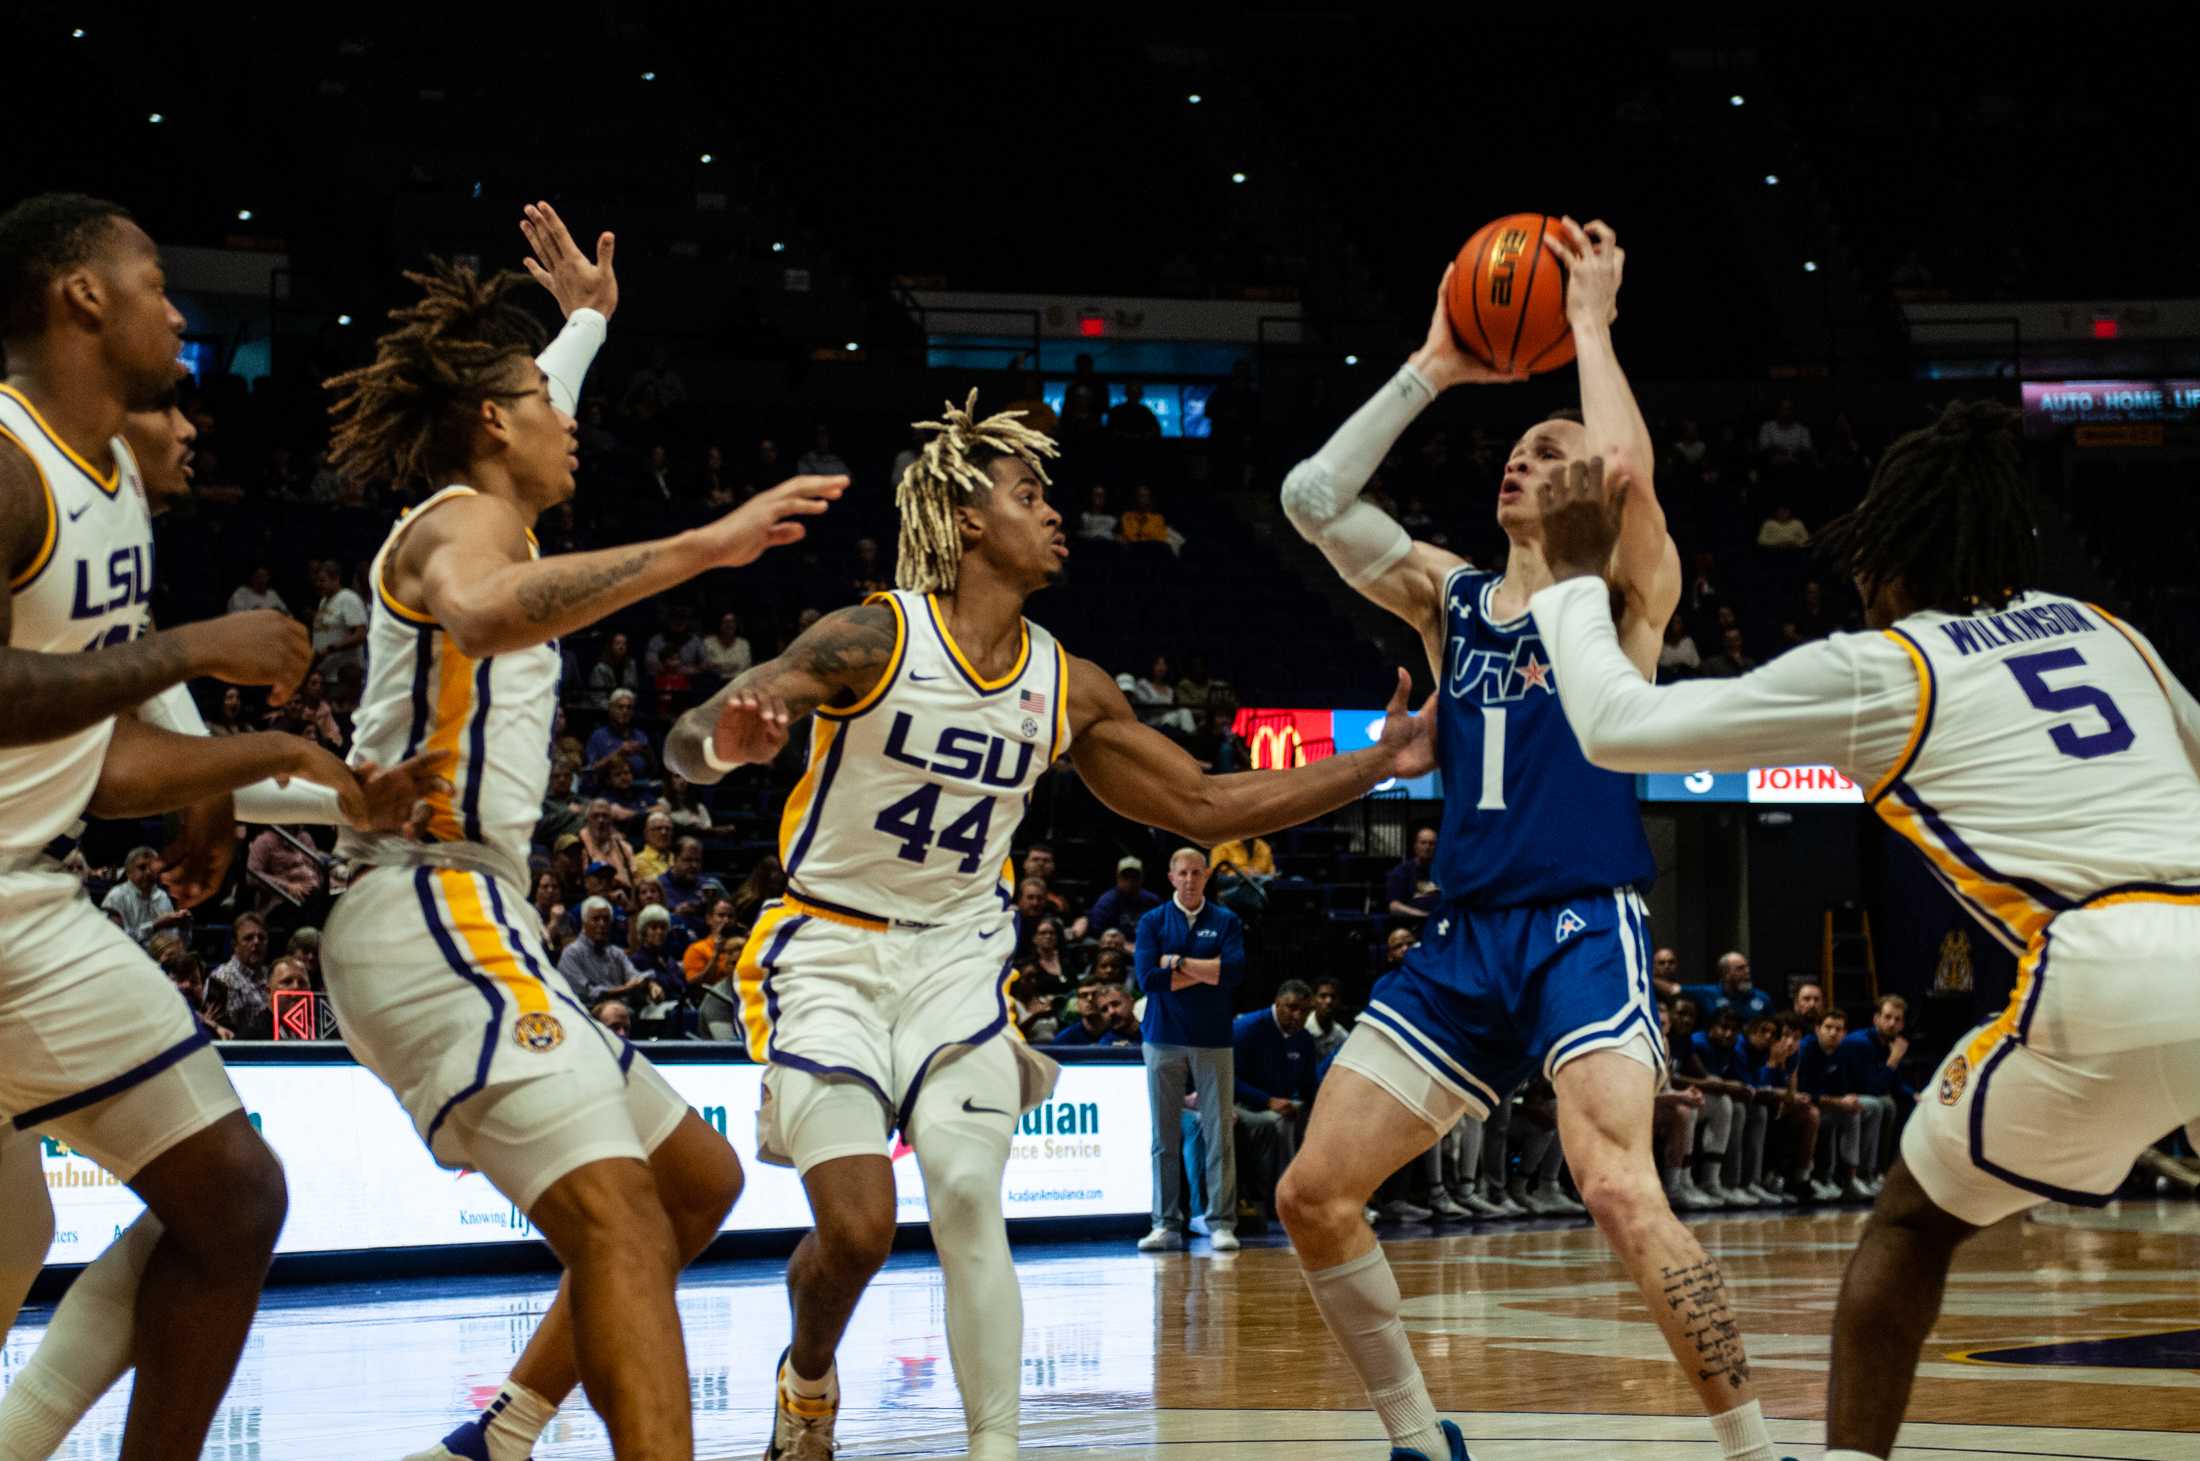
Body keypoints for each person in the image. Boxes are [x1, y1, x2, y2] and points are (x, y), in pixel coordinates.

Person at [661, 389, 1435, 1461]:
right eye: (1029, 494)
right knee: (855, 1230)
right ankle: (807, 1378)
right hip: (828, 952)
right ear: (970, 521)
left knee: (971, 1197)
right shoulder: (871, 636)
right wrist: (726, 745)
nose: (1055, 513)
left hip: (958, 966)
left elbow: (1204, 806)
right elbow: (701, 732)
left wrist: (1377, 765)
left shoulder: (1065, 686)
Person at [1527, 394, 2200, 1461]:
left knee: (1911, 1226)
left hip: (2104, 959)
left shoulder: (1887, 665)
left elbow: (1619, 728)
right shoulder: (2108, 628)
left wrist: (1569, 580)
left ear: (1887, 555)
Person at [312, 204, 847, 1461]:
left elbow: (530, 402)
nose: (573, 426)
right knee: (619, 1219)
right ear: (494, 427)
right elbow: (490, 613)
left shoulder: (493, 479)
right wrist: (703, 547)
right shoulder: (464, 523)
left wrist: (587, 323)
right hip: (425, 898)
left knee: (693, 1188)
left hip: (478, 912)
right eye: (551, 411)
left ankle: (502, 1434)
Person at [1273, 221, 1783, 1461]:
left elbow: (1622, 468)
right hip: (1460, 939)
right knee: (1311, 1194)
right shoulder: (1447, 598)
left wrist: (1593, 325)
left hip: (1576, 923)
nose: (1526, 458)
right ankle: (1415, 1436)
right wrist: (1435, 369)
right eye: (1513, 445)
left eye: (1548, 447)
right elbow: (1311, 499)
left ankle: (1756, 1451)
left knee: (1614, 1184)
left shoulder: (1619, 595)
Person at [0, 194, 429, 1461]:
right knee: (223, 1203)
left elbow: (95, 762)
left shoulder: (105, 489)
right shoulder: (9, 461)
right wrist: (189, 650)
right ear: (81, 295)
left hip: (27, 890)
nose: (175, 309)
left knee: (152, 1216)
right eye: (152, 279)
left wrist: (287, 760)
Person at [1134, 847, 1249, 1253]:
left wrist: (1178, 963)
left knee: (1219, 1135)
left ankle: (1220, 1222)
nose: (1189, 879)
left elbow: (1233, 974)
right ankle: (1165, 1223)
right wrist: (1206, 970)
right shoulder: (1151, 921)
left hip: (1213, 1037)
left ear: (1206, 877)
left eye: (1196, 873)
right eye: (1182, 872)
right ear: (1170, 876)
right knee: (1163, 1137)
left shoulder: (1226, 920)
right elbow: (1149, 980)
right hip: (1162, 1035)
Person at [1234, 980, 1319, 1222]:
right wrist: (1267, 1100)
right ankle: (1283, 1200)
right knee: (1279, 1122)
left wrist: (1324, 1112)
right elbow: (1228, 1079)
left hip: (1282, 1102)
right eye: (1291, 1008)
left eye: (1304, 1011)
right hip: (1242, 1104)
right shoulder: (1247, 1028)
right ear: (1277, 1003)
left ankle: (1331, 1198)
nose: (1298, 1016)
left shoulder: (1303, 1038)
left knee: (1329, 1122)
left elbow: (1308, 1086)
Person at [99, 844, 189, 945]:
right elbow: (114, 939)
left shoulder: (162, 896)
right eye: (142, 868)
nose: (148, 872)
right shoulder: (116, 896)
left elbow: (174, 941)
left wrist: (184, 928)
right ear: (129, 872)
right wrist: (154, 926)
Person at [1672, 951, 1775, 1022]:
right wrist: (1654, 979)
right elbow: (1673, 989)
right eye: (1740, 969)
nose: (1747, 972)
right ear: (1726, 974)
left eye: (1747, 967)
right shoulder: (1708, 993)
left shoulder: (1762, 998)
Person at [309, 557, 368, 681]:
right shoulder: (323, 601)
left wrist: (331, 648)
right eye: (316, 581)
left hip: (344, 675)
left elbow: (360, 635)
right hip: (325, 674)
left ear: (336, 578)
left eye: (322, 581)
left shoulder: (348, 598)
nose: (318, 585)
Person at [1083, 855, 1160, 941]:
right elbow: (1096, 932)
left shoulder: (1152, 901)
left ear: (1142, 878)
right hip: (1116, 948)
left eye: (1134, 877)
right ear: (1118, 878)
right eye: (1125, 876)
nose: (1130, 881)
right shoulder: (1106, 902)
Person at [1384, 825, 1441, 921]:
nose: (1427, 847)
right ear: (1415, 846)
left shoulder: (1445, 872)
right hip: (1414, 924)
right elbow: (1394, 907)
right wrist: (1424, 915)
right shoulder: (1401, 872)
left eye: (1432, 843)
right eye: (1423, 843)